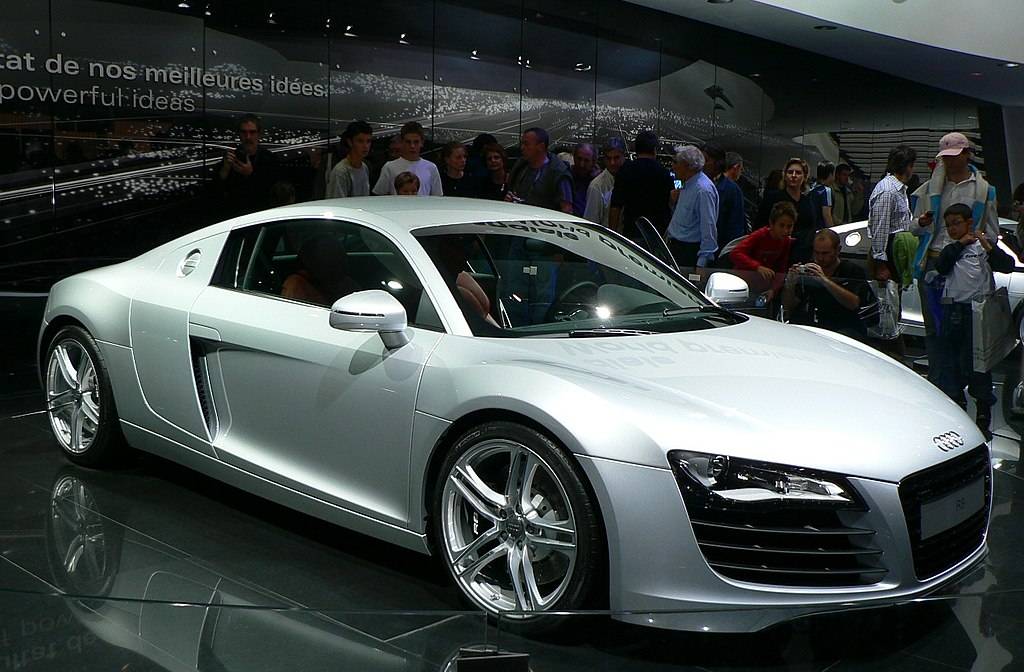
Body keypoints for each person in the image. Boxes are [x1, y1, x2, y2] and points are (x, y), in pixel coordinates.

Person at [910, 132, 1000, 384]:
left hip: (967, 265)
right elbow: (914, 227)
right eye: (945, 158)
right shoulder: (931, 188)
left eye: (953, 156)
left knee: (968, 331)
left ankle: (964, 386)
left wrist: (980, 244)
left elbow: (991, 231)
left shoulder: (984, 190)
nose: (948, 162)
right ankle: (941, 382)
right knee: (936, 329)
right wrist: (922, 222)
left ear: (966, 154)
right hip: (935, 260)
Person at [933, 203, 1015, 438]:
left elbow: (1006, 265)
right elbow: (941, 266)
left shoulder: (983, 246)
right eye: (949, 225)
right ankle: (957, 406)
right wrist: (960, 244)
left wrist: (987, 244)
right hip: (954, 311)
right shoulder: (950, 248)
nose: (952, 229)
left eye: (957, 223)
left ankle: (983, 414)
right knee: (952, 362)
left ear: (969, 222)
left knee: (979, 363)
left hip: (978, 312)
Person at [782, 229, 878, 340]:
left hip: (844, 329)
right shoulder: (809, 271)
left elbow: (854, 303)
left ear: (838, 250)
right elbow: (788, 307)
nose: (820, 258)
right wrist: (790, 284)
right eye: (816, 253)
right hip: (813, 328)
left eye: (825, 253)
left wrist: (824, 280)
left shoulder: (851, 271)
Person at [609, 130, 673, 241]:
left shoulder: (626, 171)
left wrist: (612, 236)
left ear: (636, 149)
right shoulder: (664, 173)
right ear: (655, 150)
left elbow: (615, 207)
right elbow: (671, 204)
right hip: (657, 236)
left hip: (631, 233)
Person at [867, 145, 917, 283]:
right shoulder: (888, 191)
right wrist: (881, 263)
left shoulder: (899, 189)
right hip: (889, 250)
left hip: (898, 247)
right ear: (907, 167)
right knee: (889, 299)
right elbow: (880, 228)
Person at [666, 145, 719, 269]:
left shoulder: (703, 190)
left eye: (676, 162)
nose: (673, 166)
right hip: (675, 246)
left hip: (688, 253)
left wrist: (701, 263)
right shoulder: (685, 183)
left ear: (688, 166)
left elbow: (708, 227)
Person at [729, 201, 795, 302]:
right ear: (772, 224)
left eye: (789, 226)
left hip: (763, 289)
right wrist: (757, 267)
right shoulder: (760, 235)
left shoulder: (786, 241)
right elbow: (735, 253)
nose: (785, 231)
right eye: (781, 226)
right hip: (742, 284)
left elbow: (781, 269)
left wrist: (773, 290)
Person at [756, 158, 818, 263]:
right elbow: (760, 224)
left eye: (798, 173)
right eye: (790, 172)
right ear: (785, 176)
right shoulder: (773, 198)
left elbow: (811, 227)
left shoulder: (807, 201)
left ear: (804, 177)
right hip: (775, 251)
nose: (793, 175)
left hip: (801, 253)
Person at [217, 113, 276, 215]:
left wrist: (250, 175)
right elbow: (216, 193)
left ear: (259, 134)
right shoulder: (231, 158)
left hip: (260, 214)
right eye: (244, 132)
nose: (248, 137)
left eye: (252, 132)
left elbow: (272, 192)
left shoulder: (269, 159)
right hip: (233, 215)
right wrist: (225, 169)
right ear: (239, 134)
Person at [506, 127, 573, 213]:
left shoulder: (558, 173)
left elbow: (567, 209)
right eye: (522, 144)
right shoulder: (521, 166)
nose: (522, 148)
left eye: (526, 144)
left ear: (541, 146)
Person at [282, 234, 359, 306]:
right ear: (312, 260)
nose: (341, 261)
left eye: (341, 255)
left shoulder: (344, 282)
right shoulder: (296, 285)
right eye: (331, 256)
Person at [373, 121, 443, 196]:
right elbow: (379, 196)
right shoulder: (389, 167)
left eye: (416, 142)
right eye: (408, 142)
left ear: (422, 143)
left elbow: (437, 197)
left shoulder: (431, 168)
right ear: (402, 142)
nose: (412, 146)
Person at [707, 144, 746, 258]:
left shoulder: (710, 185)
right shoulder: (733, 190)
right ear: (736, 167)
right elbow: (736, 225)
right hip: (722, 246)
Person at [583, 137, 626, 228]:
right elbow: (591, 223)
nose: (612, 163)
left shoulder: (630, 180)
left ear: (624, 156)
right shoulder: (597, 186)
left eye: (616, 158)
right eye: (608, 158)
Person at [326, 120, 372, 199]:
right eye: (360, 141)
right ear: (350, 142)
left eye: (368, 141)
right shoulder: (341, 171)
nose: (365, 146)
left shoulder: (364, 167)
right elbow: (337, 204)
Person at [570, 143, 599, 217]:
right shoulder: (566, 176)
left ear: (593, 162)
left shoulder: (599, 183)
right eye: (579, 159)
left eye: (586, 161)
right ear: (574, 157)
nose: (581, 164)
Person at [810, 161, 835, 228]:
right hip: (821, 229)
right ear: (830, 174)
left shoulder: (812, 188)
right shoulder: (826, 191)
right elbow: (827, 215)